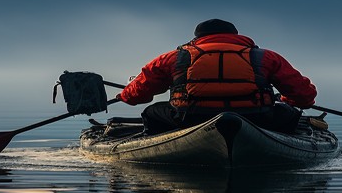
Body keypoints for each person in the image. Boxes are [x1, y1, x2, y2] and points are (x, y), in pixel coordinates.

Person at [117, 19, 317, 134]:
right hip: (257, 118)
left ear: (197, 38)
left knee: (152, 112)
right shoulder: (266, 57)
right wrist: (285, 100)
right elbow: (305, 97)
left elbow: (137, 95)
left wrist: (124, 95)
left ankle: (155, 147)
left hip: (189, 118)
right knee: (289, 113)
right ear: (237, 36)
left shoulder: (173, 58)